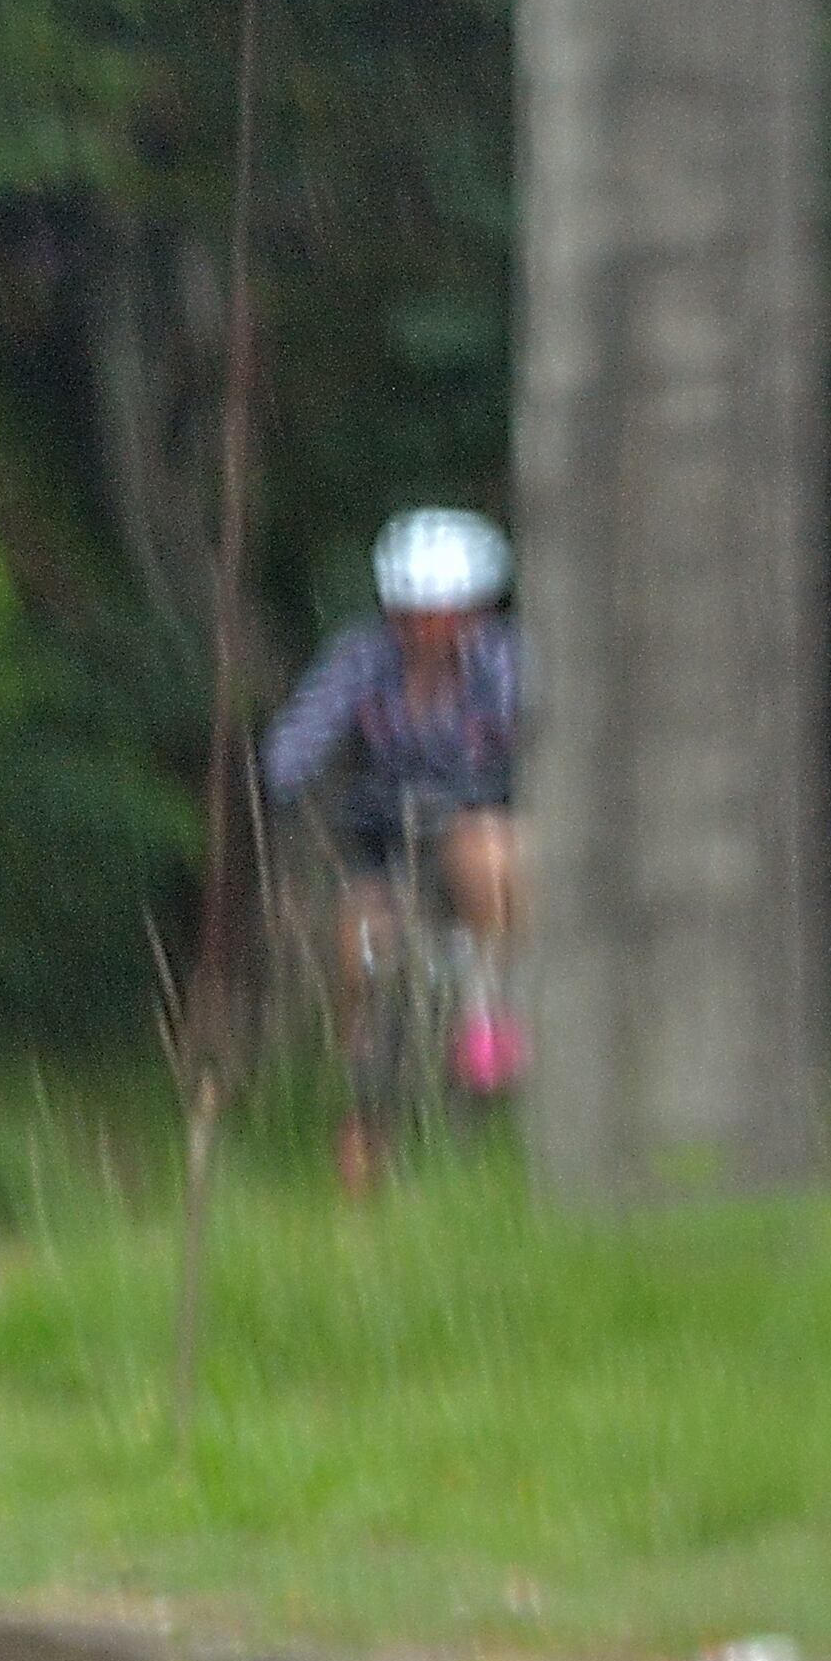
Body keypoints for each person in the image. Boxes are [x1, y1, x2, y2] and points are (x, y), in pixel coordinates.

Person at [262, 505, 525, 1181]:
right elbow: (296, 742)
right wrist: (288, 775)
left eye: (443, 613)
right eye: (410, 613)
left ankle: (488, 1013)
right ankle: (368, 1094)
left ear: (475, 610)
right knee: (361, 945)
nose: (425, 628)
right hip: (388, 850)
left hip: (485, 837)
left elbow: (539, 728)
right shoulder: (362, 658)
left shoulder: (506, 660)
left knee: (482, 849)